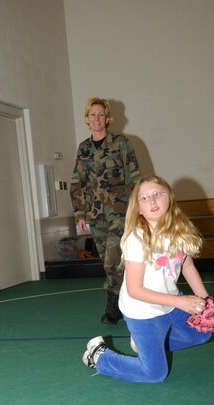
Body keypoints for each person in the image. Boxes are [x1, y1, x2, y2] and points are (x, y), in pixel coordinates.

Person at [82, 175, 214, 383]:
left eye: (157, 194)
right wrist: (182, 302)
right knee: (155, 374)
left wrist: (206, 300)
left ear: (169, 198)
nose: (152, 201)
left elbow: (187, 265)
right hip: (143, 311)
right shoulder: (136, 238)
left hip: (171, 303)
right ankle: (98, 356)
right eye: (144, 198)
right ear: (138, 208)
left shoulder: (179, 230)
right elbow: (135, 290)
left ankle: (144, 343)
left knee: (203, 331)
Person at [70, 97, 141, 324]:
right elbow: (77, 183)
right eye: (93, 115)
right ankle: (125, 297)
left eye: (101, 114)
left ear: (107, 118)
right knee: (107, 260)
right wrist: (79, 213)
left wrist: (138, 209)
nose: (97, 119)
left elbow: (134, 177)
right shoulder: (83, 148)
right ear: (86, 119)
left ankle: (113, 303)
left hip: (120, 212)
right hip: (95, 214)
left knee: (113, 257)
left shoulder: (121, 143)